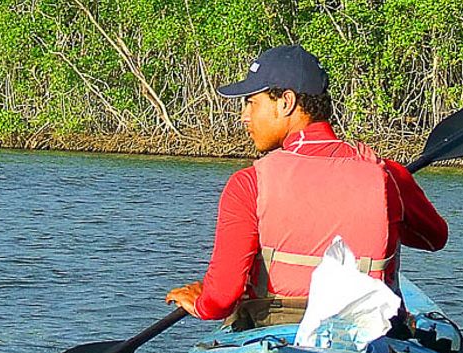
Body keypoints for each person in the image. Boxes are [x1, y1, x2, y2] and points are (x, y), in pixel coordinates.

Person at [164, 45, 448, 333]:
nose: (244, 116)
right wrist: (387, 208)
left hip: (274, 328)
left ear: (286, 102)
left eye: (251, 102)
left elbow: (221, 299)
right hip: (369, 331)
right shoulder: (388, 175)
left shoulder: (249, 183)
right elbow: (434, 238)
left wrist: (202, 304)